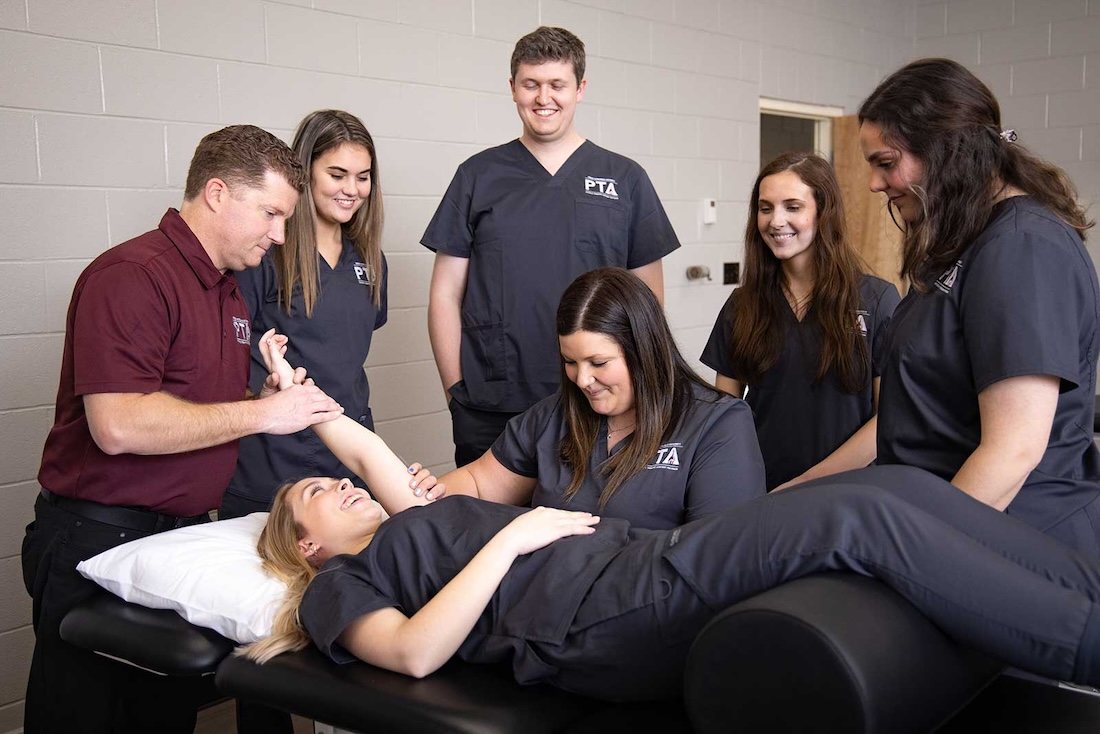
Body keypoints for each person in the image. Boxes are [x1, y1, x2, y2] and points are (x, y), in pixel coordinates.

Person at [248, 336, 1100, 702]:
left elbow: (359, 448)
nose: (339, 484)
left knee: (896, 489)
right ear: (308, 544)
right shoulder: (344, 585)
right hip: (592, 614)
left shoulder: (408, 518)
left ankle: (1082, 591)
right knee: (851, 521)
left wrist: (291, 391)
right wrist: (514, 534)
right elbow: (415, 653)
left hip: (631, 563)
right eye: (311, 495)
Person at [20, 125, 352, 734]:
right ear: (219, 193)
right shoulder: (133, 275)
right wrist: (261, 416)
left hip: (174, 540)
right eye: (272, 214)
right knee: (83, 717)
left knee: (164, 719)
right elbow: (117, 425)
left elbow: (187, 409)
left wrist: (260, 398)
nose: (280, 235)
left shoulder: (226, 292)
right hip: (97, 535)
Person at [858, 58, 1100, 555]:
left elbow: (1013, 452)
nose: (874, 185)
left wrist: (919, 554)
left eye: (886, 162)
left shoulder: (1022, 246)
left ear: (947, 151)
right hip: (937, 510)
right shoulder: (966, 242)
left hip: (1012, 535)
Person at [422, 26, 680, 466]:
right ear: (513, 88)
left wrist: (637, 390)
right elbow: (445, 294)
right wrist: (456, 393)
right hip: (492, 400)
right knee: (483, 526)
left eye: (557, 85)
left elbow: (648, 301)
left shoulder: (625, 179)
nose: (544, 98)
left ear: (580, 89)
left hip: (595, 398)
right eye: (531, 84)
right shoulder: (478, 176)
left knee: (585, 525)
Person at [430, 267, 766, 529]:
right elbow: (477, 483)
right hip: (548, 600)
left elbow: (718, 558)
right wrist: (421, 491)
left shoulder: (717, 425)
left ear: (644, 350)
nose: (583, 380)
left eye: (599, 363)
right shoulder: (554, 417)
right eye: (570, 362)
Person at [222, 110, 388, 519]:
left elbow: (345, 351)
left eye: (363, 176)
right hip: (274, 460)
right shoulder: (265, 254)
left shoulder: (370, 261)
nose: (352, 189)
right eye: (337, 174)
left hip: (348, 454)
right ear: (306, 172)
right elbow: (229, 356)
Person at [701, 153, 899, 490]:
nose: (776, 221)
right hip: (762, 487)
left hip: (850, 492)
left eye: (793, 207)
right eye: (766, 208)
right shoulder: (742, 304)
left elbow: (889, 420)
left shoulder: (876, 300)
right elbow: (725, 415)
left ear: (823, 213)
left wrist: (806, 482)